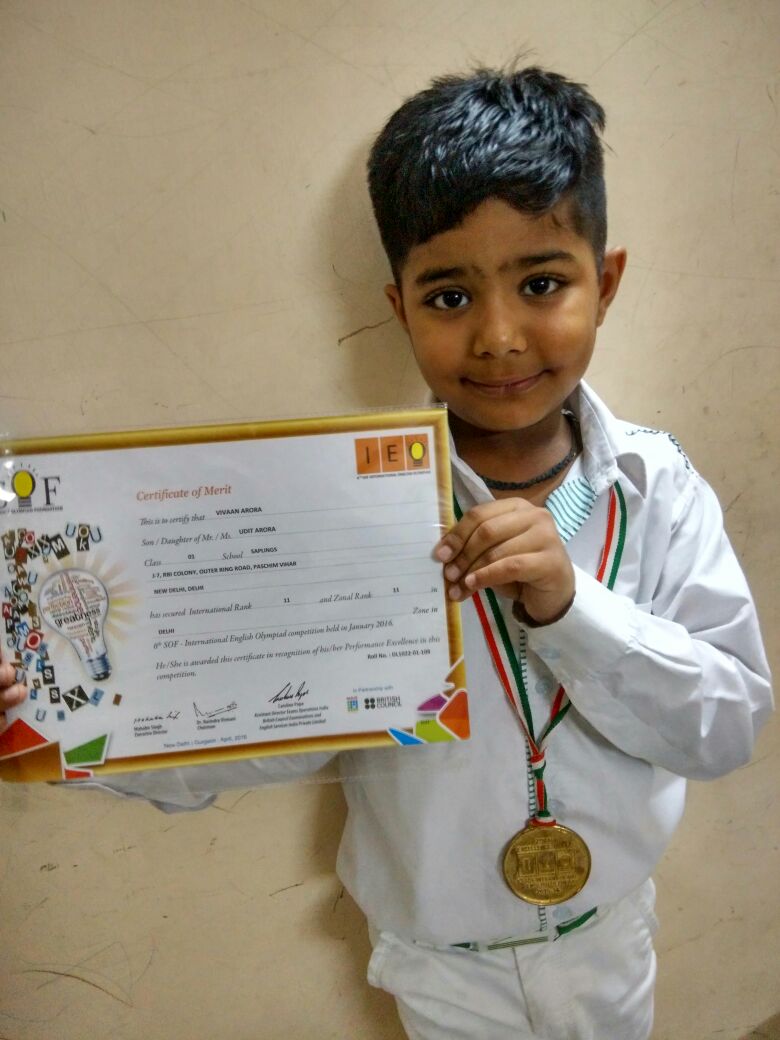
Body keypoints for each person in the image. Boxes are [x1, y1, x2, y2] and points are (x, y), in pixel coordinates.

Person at [0, 65, 773, 1039]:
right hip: (439, 961)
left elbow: (726, 727)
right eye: (449, 295)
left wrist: (572, 607)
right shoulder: (348, 514)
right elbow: (251, 722)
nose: (499, 336)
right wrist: (51, 719)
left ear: (605, 282)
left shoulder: (658, 489)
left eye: (542, 283)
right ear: (400, 307)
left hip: (607, 932)